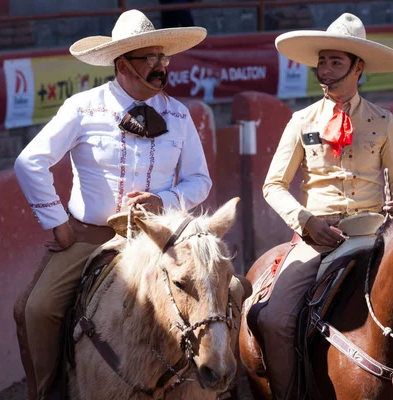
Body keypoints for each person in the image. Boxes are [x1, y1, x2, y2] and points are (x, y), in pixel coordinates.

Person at [13, 10, 236, 400]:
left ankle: (218, 381)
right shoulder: (83, 108)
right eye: (149, 59)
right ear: (122, 64)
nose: (161, 67)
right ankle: (48, 392)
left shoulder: (179, 115)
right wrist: (57, 223)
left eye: (163, 59)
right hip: (91, 239)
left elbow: (200, 181)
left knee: (229, 290)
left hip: (165, 243)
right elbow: (29, 161)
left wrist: (163, 200)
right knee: (37, 309)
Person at [259, 13, 393, 400]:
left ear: (357, 67)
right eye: (322, 63)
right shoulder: (300, 121)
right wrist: (307, 222)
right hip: (318, 239)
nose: (325, 72)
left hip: (377, 236)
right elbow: (273, 185)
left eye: (335, 63)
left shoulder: (384, 121)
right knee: (275, 319)